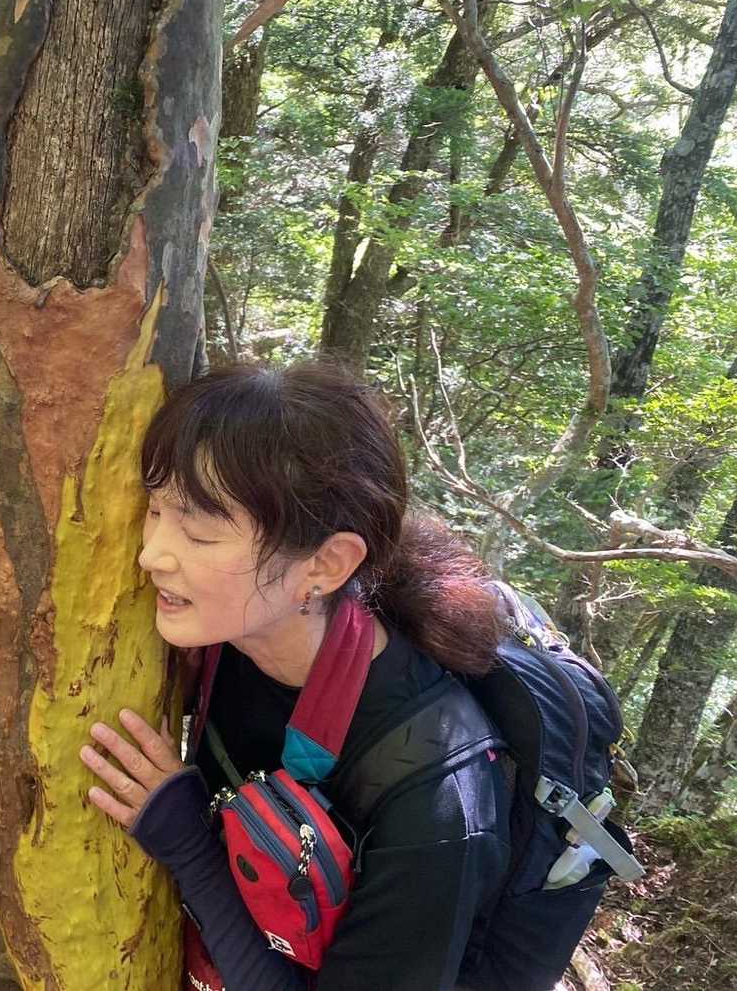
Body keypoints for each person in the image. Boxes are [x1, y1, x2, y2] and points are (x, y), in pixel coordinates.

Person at [81, 362, 512, 990]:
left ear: (327, 564)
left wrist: (190, 847)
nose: (151, 555)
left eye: (199, 532)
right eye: (154, 509)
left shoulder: (434, 797)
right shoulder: (230, 637)